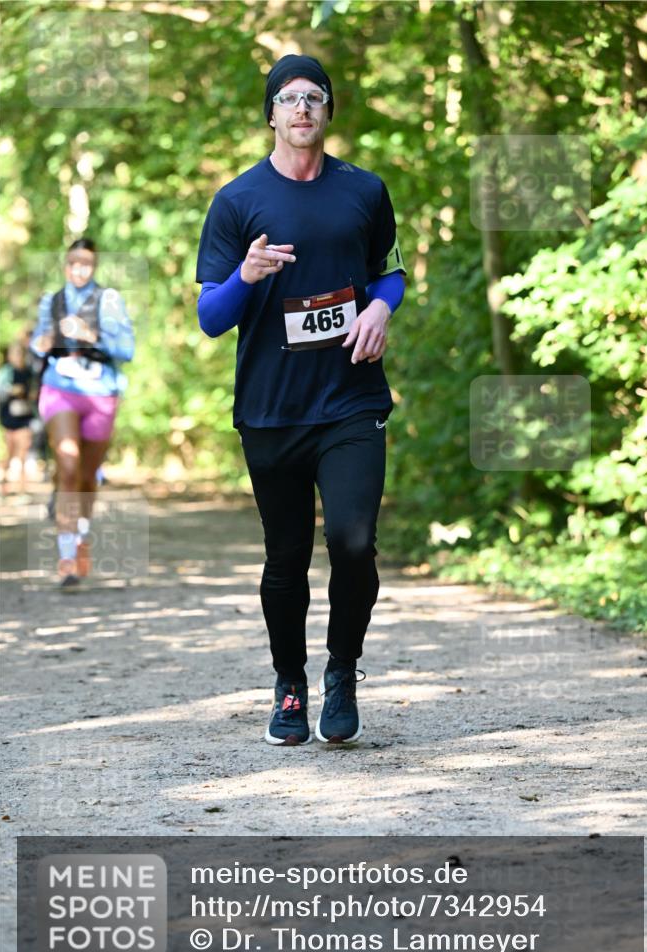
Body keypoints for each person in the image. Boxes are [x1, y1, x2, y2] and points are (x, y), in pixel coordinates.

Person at [196, 54, 406, 745]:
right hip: (271, 407)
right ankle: (290, 684)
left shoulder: (364, 191)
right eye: (287, 98)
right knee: (285, 556)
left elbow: (390, 275)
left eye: (314, 96)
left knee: (353, 543)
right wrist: (246, 275)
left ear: (327, 110)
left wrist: (379, 311)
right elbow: (210, 317)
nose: (301, 108)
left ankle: (342, 670)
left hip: (350, 400)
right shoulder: (236, 201)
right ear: (270, 114)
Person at [30, 238, 134, 591]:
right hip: (59, 388)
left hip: (101, 393)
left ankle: (81, 540)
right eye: (73, 263)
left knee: (88, 478)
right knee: (69, 467)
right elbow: (37, 342)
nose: (79, 269)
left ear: (94, 266)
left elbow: (127, 349)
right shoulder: (52, 301)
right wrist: (42, 341)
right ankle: (66, 559)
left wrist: (93, 336)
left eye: (86, 263)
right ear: (65, 265)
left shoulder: (109, 301)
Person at [0, 341, 35, 496]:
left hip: (25, 418)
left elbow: (34, 392)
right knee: (10, 453)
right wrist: (12, 391)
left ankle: (22, 488)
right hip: (8, 419)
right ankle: (5, 486)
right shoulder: (6, 372)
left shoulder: (29, 373)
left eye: (20, 353)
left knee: (22, 454)